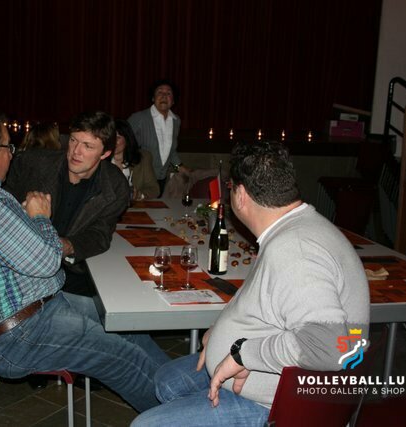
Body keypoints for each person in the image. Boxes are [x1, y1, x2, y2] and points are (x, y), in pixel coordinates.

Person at [0, 106, 168, 413]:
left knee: (124, 323)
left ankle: (184, 386)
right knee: (124, 359)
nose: (12, 155)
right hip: (19, 334)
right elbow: (48, 261)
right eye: (8, 147)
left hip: (36, 306)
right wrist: (41, 217)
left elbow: (94, 237)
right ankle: (178, 414)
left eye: (87, 145)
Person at [132, 140, 370, 426]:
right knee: (166, 382)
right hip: (271, 376)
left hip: (280, 404)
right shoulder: (295, 228)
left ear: (241, 195)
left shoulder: (296, 251)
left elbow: (330, 346)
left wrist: (244, 355)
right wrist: (218, 333)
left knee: (143, 425)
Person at [5, 111, 130, 296]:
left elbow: (100, 234)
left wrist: (67, 246)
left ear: (105, 153)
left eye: (87, 146)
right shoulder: (33, 163)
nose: (76, 151)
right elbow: (2, 201)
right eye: (73, 140)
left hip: (75, 275)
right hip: (23, 272)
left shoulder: (115, 185)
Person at [128, 79, 190, 196]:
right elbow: (123, 143)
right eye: (160, 92)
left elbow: (171, 151)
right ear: (153, 98)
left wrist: (180, 167)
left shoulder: (176, 120)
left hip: (162, 178)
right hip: (141, 179)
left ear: (173, 101)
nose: (164, 96)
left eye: (168, 93)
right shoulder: (139, 118)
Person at [113, 119, 159, 200]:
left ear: (127, 139)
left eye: (117, 138)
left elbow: (154, 190)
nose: (112, 142)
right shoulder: (99, 159)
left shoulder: (143, 158)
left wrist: (138, 194)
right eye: (110, 138)